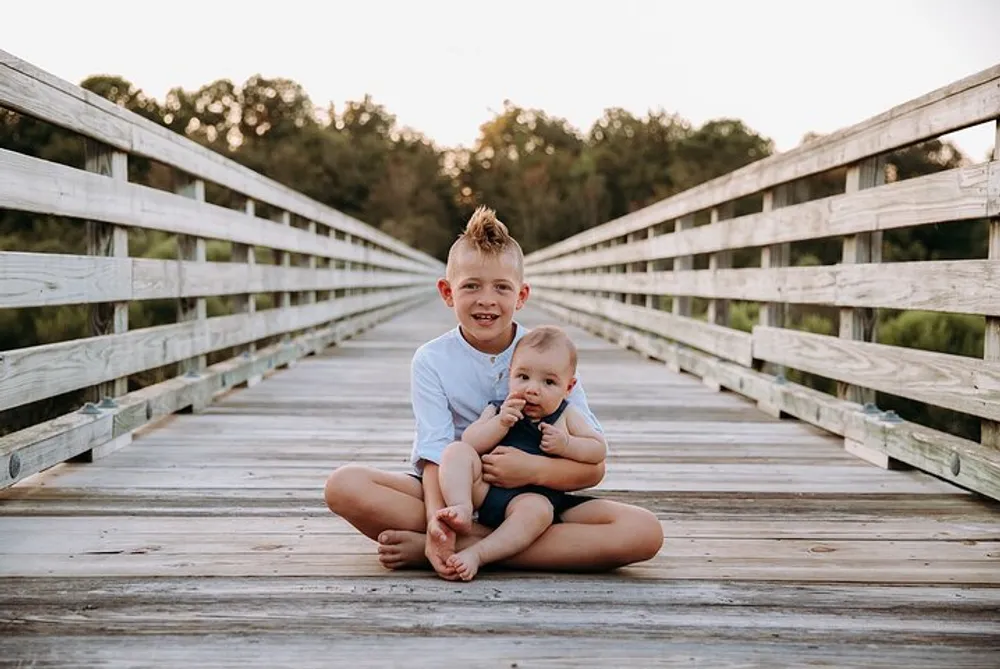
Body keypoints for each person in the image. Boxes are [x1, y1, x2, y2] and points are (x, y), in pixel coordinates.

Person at [323, 205, 663, 580]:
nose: (487, 299)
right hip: (457, 493)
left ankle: (465, 550)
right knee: (344, 485)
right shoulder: (432, 360)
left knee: (644, 532)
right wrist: (441, 523)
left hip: (537, 498)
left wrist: (531, 469)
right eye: (471, 286)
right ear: (447, 292)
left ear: (521, 296)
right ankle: (464, 542)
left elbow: (593, 467)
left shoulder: (546, 356)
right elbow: (435, 454)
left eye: (502, 287)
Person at [436, 325, 607, 580]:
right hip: (486, 490)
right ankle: (461, 508)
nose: (532, 389)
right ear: (509, 376)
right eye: (523, 377)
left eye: (549, 382)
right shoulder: (499, 409)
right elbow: (471, 440)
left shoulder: (567, 416)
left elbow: (598, 449)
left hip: (528, 499)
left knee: (538, 512)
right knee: (455, 451)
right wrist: (500, 423)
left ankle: (478, 553)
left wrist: (567, 445)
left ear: (568, 388)